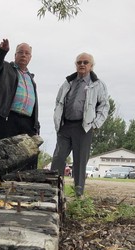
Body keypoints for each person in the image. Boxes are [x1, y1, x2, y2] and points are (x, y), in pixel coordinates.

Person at [50, 52, 109, 197]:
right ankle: (53, 191)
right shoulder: (68, 82)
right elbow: (59, 102)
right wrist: (58, 120)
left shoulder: (98, 85)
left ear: (91, 66)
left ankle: (78, 194)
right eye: (79, 62)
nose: (82, 65)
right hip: (65, 127)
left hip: (83, 127)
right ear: (76, 65)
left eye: (85, 62)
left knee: (80, 162)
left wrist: (95, 124)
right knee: (58, 158)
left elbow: (104, 105)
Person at [0, 39, 40, 169]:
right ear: (15, 55)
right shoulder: (5, 69)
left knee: (28, 156)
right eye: (20, 52)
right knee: (4, 155)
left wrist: (36, 124)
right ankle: (0, 185)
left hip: (27, 121)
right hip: (8, 118)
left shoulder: (30, 78)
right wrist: (1, 51)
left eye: (27, 53)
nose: (24, 55)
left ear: (30, 57)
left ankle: (26, 184)